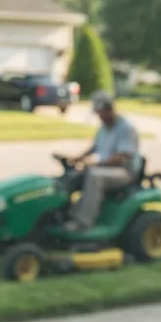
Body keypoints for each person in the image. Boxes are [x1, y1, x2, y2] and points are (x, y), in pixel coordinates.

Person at [64, 92, 142, 232]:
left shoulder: (125, 128)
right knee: (73, 175)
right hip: (107, 168)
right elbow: (94, 147)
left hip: (125, 172)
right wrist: (76, 159)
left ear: (109, 109)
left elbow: (122, 157)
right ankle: (69, 213)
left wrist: (95, 164)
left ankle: (83, 222)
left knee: (94, 176)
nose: (99, 117)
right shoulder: (104, 128)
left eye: (100, 113)